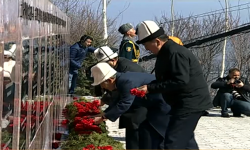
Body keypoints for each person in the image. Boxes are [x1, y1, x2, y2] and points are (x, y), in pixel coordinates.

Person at [135, 20, 213, 149]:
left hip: (190, 103)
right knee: (186, 142)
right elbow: (166, 78)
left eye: (146, 45)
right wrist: (149, 87)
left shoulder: (175, 52)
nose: (146, 49)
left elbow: (180, 81)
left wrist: (151, 88)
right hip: (182, 103)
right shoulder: (165, 52)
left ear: (157, 41)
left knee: (173, 143)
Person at [91, 62, 171, 149]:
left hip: (163, 104)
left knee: (159, 135)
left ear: (110, 80)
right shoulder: (121, 80)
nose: (103, 88)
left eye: (102, 84)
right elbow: (119, 100)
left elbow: (125, 103)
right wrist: (104, 114)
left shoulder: (126, 81)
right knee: (146, 133)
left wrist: (103, 118)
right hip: (153, 105)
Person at [92, 46, 147, 149]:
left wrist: (104, 115)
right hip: (133, 101)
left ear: (113, 60)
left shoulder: (127, 69)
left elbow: (123, 96)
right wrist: (105, 110)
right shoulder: (115, 68)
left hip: (142, 102)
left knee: (135, 128)